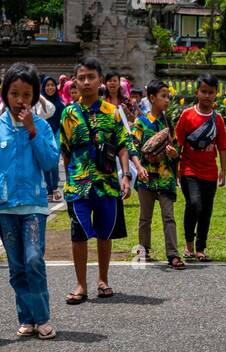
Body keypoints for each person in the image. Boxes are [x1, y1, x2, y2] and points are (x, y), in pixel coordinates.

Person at [0, 62, 57, 340]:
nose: (20, 100)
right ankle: (26, 317)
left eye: (26, 94)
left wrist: (32, 130)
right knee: (17, 267)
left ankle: (42, 316)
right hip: (6, 207)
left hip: (34, 205)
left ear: (34, 96)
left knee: (34, 260)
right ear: (5, 95)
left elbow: (49, 161)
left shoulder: (43, 127)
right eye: (14, 94)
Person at [59, 56, 135, 303]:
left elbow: (123, 145)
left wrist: (125, 176)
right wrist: (68, 179)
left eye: (91, 77)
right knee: (78, 233)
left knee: (105, 233)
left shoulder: (112, 112)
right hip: (79, 185)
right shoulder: (68, 114)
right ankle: (81, 285)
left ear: (100, 81)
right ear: (75, 82)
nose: (86, 82)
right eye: (81, 78)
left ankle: (103, 279)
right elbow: (66, 150)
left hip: (107, 183)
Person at [174, 72, 226, 263]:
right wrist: (175, 169)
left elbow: (222, 146)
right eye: (203, 91)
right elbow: (177, 144)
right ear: (197, 92)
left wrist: (223, 170)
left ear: (216, 94)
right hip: (189, 170)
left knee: (206, 210)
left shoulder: (217, 119)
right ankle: (189, 243)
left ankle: (200, 248)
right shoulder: (187, 115)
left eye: (211, 92)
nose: (207, 95)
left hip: (210, 172)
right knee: (194, 204)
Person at [131, 79, 183, 269]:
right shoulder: (141, 123)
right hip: (146, 177)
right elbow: (132, 148)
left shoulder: (168, 122)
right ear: (152, 98)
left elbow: (177, 150)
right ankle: (143, 252)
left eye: (168, 96)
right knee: (145, 218)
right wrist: (139, 168)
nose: (167, 100)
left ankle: (173, 255)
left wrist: (174, 154)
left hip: (166, 177)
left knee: (169, 217)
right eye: (163, 96)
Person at [40, 76, 63, 199]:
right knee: (45, 163)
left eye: (52, 85)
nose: (50, 88)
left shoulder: (60, 104)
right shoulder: (39, 103)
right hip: (43, 135)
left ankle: (54, 188)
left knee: (54, 162)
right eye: (47, 85)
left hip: (56, 135)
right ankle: (48, 191)